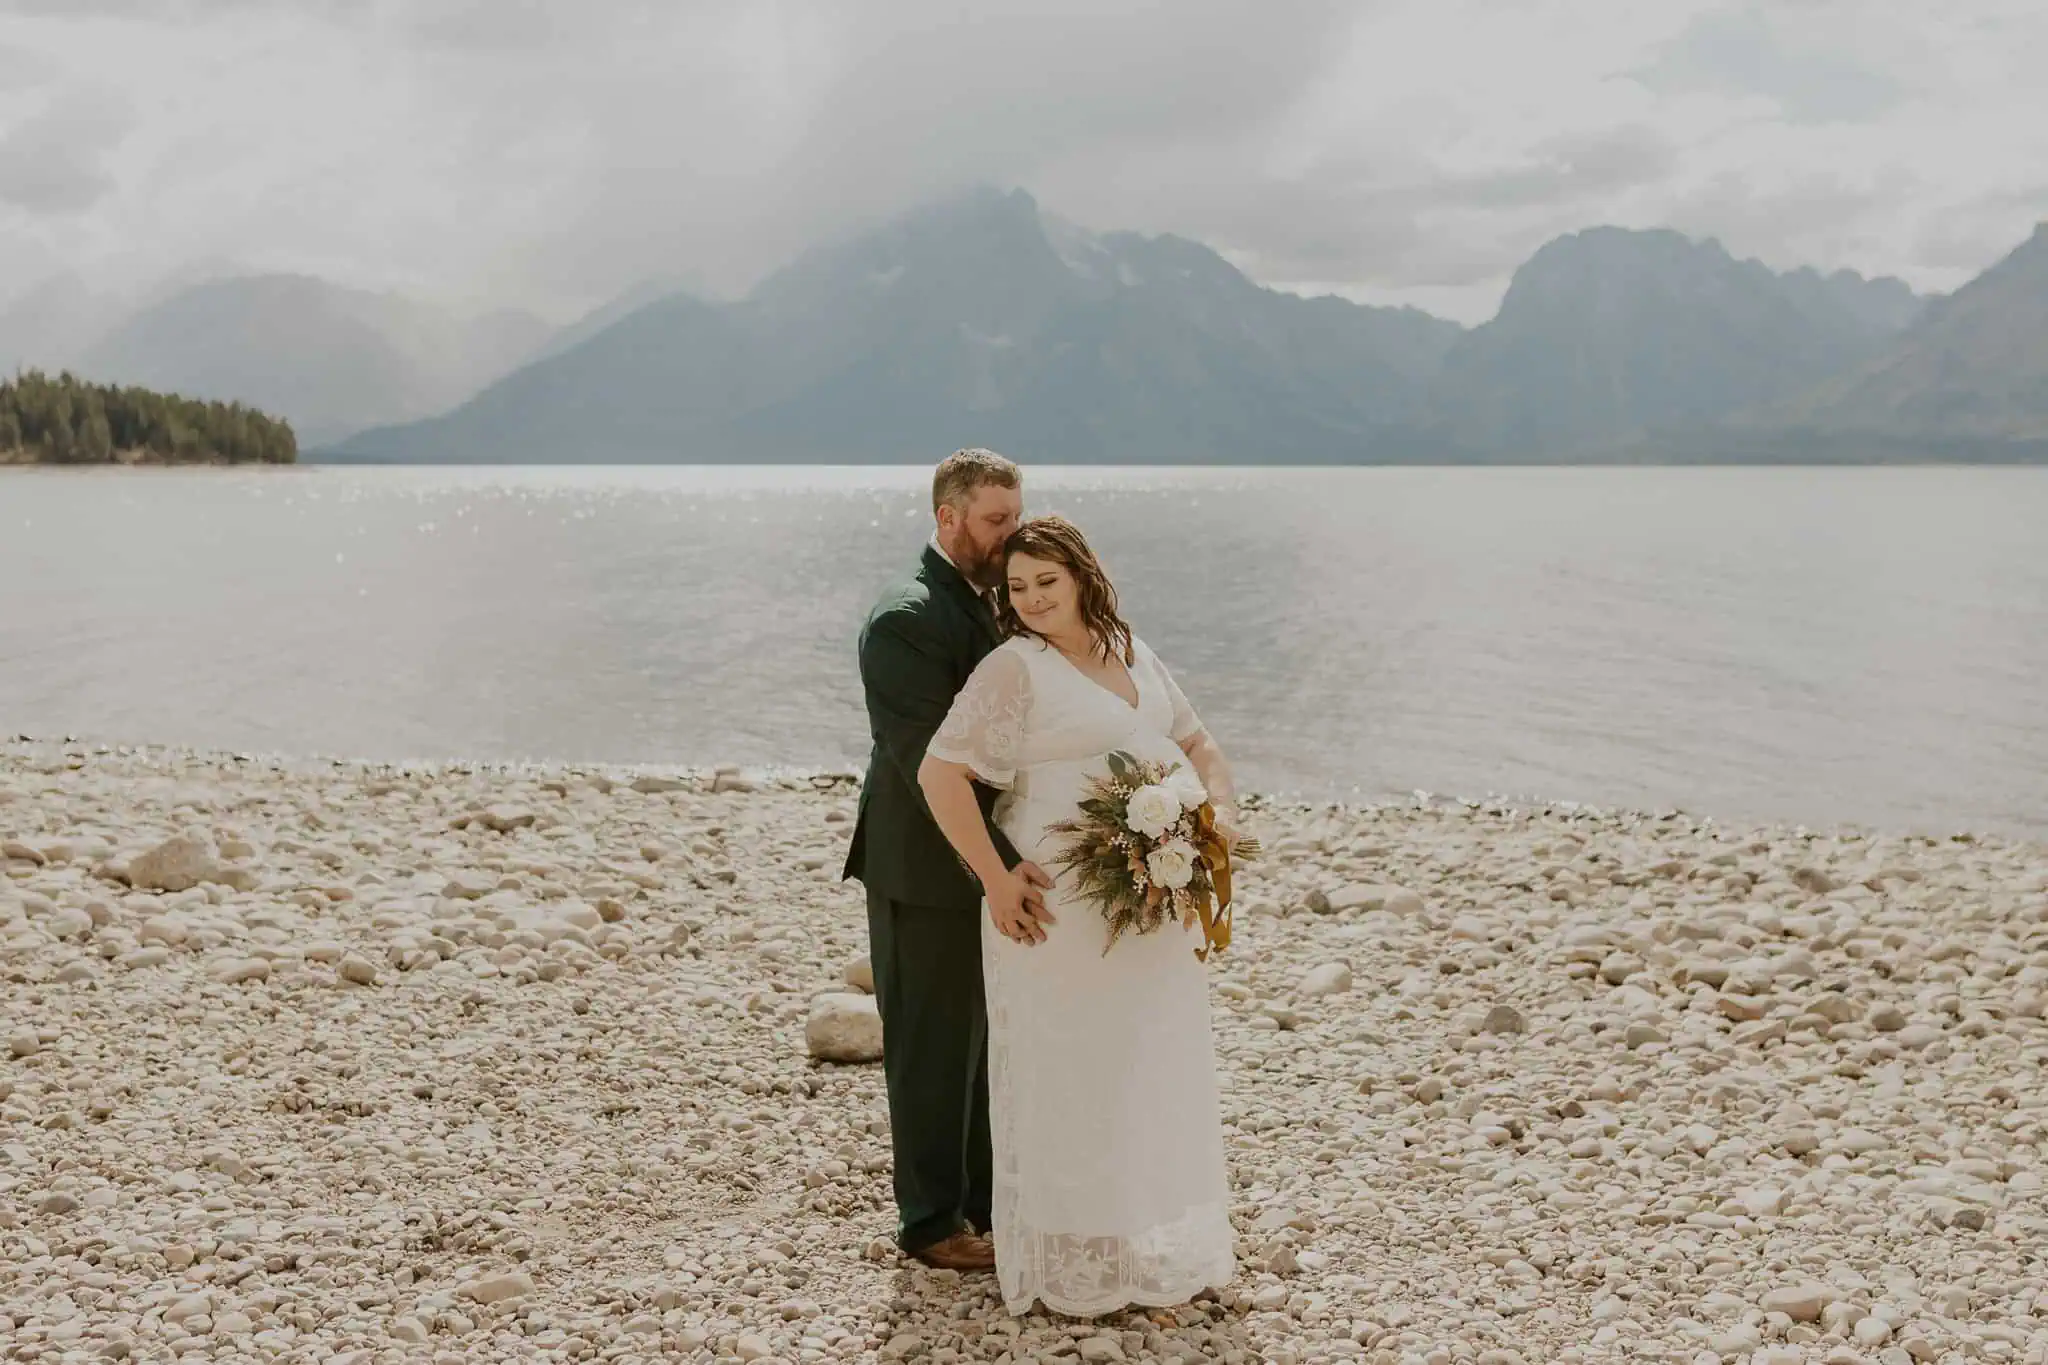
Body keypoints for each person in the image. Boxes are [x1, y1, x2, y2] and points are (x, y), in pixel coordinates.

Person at [917, 515, 1241, 1317]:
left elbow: (1198, 743)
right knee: (1062, 1066)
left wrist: (1219, 820)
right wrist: (992, 878)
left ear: (1083, 575)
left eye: (1045, 584)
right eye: (1017, 587)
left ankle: (1141, 1239)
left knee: (1144, 1057)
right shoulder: (1011, 669)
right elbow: (939, 775)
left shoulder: (1134, 650)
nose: (1029, 599)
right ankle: (1069, 1261)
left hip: (1151, 898)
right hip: (1058, 902)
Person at [842, 448, 1054, 1273]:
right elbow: (924, 757)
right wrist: (1004, 863)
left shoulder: (994, 599)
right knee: (932, 1044)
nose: (1012, 534)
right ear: (948, 518)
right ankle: (930, 1222)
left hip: (981, 857)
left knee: (983, 1036)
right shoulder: (905, 617)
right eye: (996, 521)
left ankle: (981, 1203)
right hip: (922, 864)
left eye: (1016, 515)